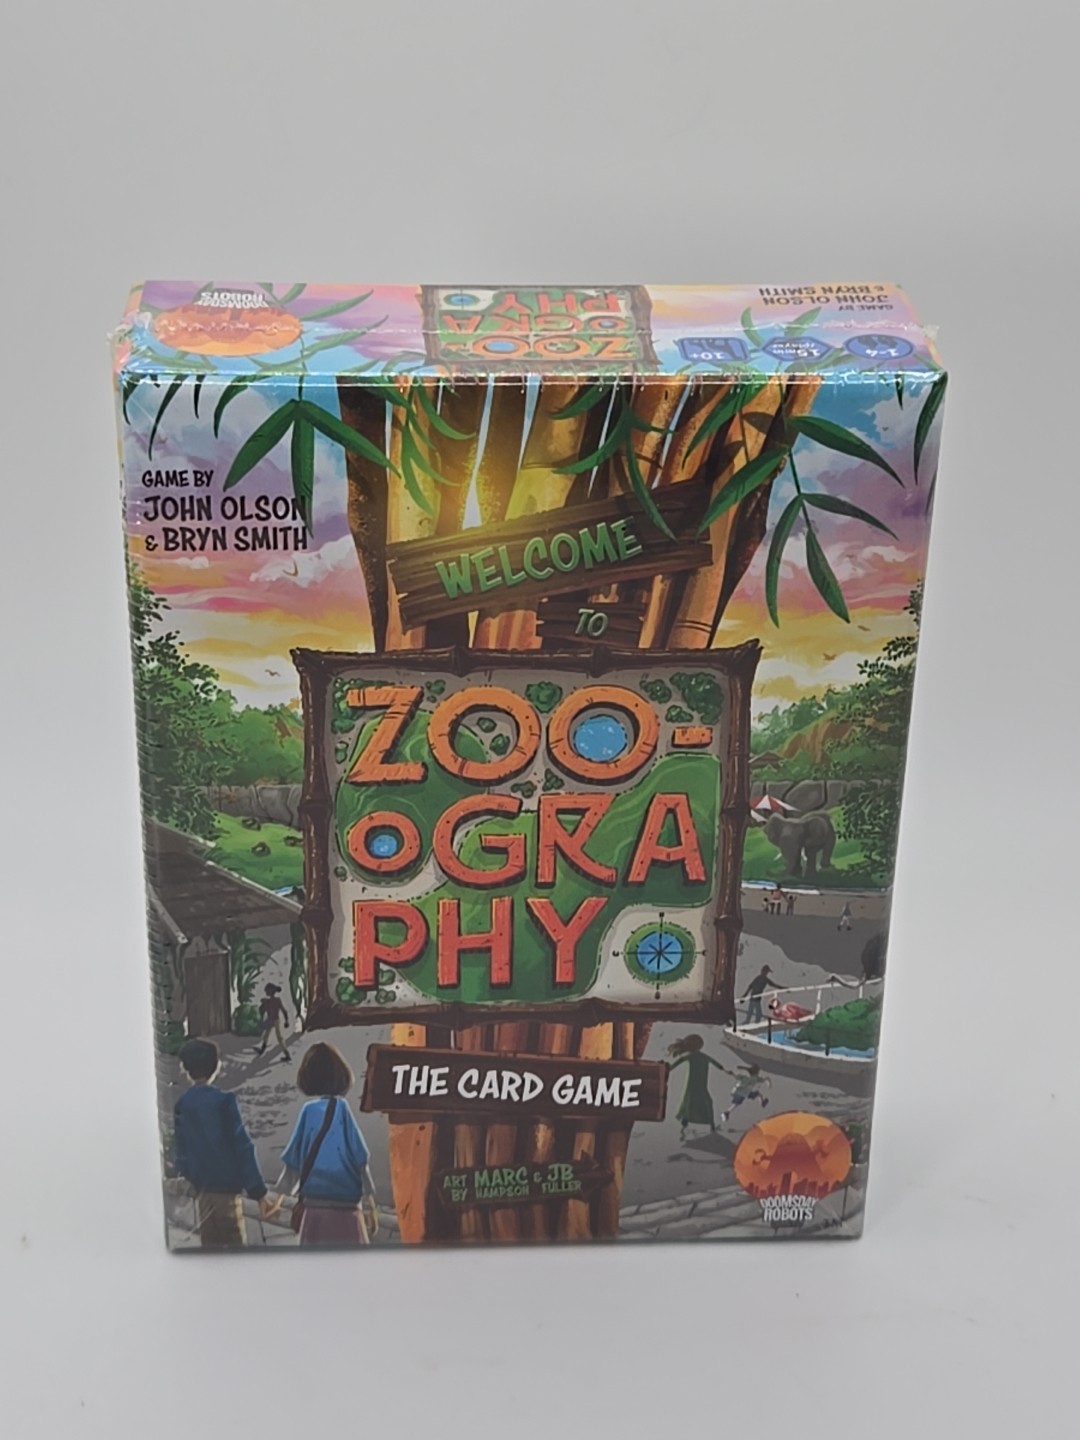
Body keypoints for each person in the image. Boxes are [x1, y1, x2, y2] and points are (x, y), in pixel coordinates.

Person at [273, 1042, 378, 1247]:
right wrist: (371, 1204)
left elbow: (293, 1162)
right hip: (348, 1206)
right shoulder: (343, 1110)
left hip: (314, 1207)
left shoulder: (308, 1111)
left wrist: (277, 1201)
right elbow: (360, 1159)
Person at [172, 1038, 274, 1247]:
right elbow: (242, 1146)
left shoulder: (182, 1105)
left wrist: (191, 1175)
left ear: (187, 1069)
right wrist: (259, 1192)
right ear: (216, 1066)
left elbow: (180, 1153)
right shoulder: (224, 1101)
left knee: (210, 1247)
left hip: (202, 1192)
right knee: (234, 1247)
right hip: (227, 1193)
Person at [667, 1035, 730, 1141]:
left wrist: (668, 1069)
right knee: (706, 1102)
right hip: (699, 1083)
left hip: (694, 1083)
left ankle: (686, 1126)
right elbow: (715, 1063)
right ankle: (710, 1125)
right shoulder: (699, 1056)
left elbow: (675, 1064)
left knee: (690, 1103)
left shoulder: (692, 1056)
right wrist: (724, 1070)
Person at [255, 982, 291, 1061]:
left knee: (278, 1037)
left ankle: (287, 1054)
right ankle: (262, 1050)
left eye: (266, 991)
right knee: (267, 1035)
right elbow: (284, 1011)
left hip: (273, 1020)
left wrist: (263, 1004)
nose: (266, 992)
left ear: (270, 992)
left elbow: (262, 1011)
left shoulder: (269, 1002)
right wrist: (286, 1020)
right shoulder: (276, 1000)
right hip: (273, 1020)